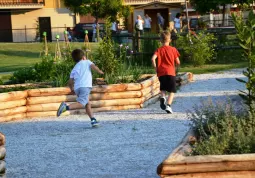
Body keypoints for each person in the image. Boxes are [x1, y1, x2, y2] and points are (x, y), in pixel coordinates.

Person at [57, 49, 104, 127]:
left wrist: (72, 89)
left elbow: (70, 81)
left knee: (87, 103)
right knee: (81, 103)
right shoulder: (87, 62)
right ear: (83, 57)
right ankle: (65, 107)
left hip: (77, 88)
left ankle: (93, 120)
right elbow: (94, 67)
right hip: (85, 86)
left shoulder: (75, 68)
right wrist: (100, 72)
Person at [151, 31, 180, 114]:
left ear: (160, 40)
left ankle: (163, 97)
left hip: (161, 72)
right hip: (171, 72)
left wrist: (156, 68)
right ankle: (168, 106)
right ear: (170, 40)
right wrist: (177, 68)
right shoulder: (173, 49)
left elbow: (153, 59)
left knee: (163, 88)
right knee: (172, 90)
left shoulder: (158, 50)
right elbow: (178, 62)